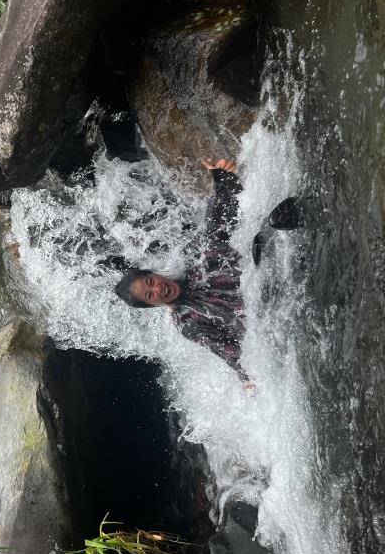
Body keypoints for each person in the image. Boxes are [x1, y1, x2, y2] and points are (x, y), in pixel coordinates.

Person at [113, 159, 301, 387]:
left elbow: (216, 223)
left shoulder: (193, 257)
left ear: (154, 274)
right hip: (271, 317)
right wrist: (246, 375)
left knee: (267, 232)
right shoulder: (187, 323)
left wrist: (223, 179)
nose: (158, 289)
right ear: (153, 305)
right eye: (150, 295)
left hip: (271, 274)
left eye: (151, 281)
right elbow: (227, 350)